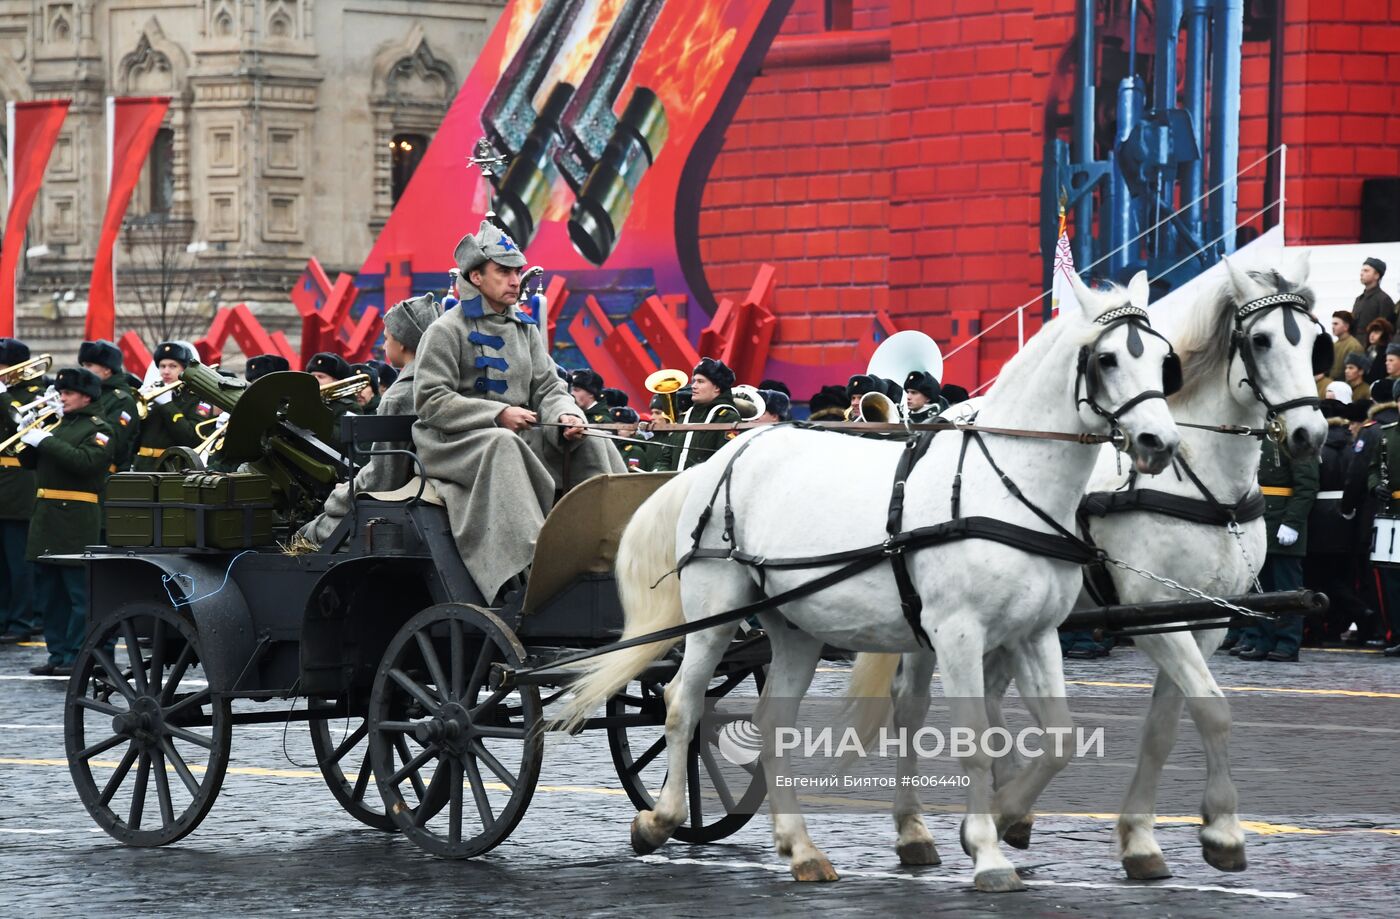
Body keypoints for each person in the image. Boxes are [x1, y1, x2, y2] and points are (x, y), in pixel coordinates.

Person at [413, 219, 624, 604]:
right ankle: (535, 562)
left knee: (592, 443)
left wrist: (566, 415)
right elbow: (430, 401)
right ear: (476, 276)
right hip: (454, 444)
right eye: (504, 272)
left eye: (517, 272)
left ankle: (619, 543)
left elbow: (549, 388)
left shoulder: (525, 330)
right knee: (502, 445)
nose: (515, 280)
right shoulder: (445, 331)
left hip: (519, 435)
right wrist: (497, 414)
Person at [300, 293, 442, 546]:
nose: (384, 345)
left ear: (401, 343)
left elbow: (383, 477)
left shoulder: (398, 396)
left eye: (387, 338)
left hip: (399, 507)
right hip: (430, 495)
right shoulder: (442, 381)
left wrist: (338, 497)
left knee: (307, 533)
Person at [20, 367, 115, 675]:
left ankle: (77, 654)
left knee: (77, 594)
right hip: (47, 515)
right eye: (61, 393)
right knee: (50, 594)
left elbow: (85, 463)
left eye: (68, 393)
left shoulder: (99, 429)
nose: (62, 398)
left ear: (86, 396)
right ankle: (58, 653)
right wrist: (27, 437)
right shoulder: (61, 425)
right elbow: (31, 462)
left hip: (76, 516)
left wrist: (45, 440)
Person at [1236, 435, 1318, 662]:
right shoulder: (1257, 437)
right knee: (1260, 588)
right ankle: (1263, 639)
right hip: (1257, 518)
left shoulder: (1296, 440)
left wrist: (1292, 522)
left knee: (1286, 589)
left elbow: (1307, 486)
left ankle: (1288, 642)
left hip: (1282, 519)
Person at [0, 338, 44, 643]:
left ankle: (22, 619)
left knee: (18, 562)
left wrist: (3, 396)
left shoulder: (35, 395)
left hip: (18, 486)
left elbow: (20, 423)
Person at [647, 358, 743, 471]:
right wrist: (660, 475)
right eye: (694, 381)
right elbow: (665, 458)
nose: (693, 386)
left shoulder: (728, 418)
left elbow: (725, 463)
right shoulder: (684, 417)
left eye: (700, 381)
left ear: (717, 387)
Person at [134, 341, 211, 471]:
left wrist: (167, 405)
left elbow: (192, 438)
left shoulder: (197, 398)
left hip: (174, 468)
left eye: (173, 366)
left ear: (184, 369)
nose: (166, 371)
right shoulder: (152, 394)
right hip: (142, 466)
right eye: (162, 366)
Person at [79, 339, 140, 472]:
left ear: (107, 369)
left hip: (107, 474)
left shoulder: (122, 400)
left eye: (89, 365)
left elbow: (113, 441)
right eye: (83, 365)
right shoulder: (88, 394)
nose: (83, 371)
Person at [1352, 257, 1395, 334]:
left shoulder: (1384, 300)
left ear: (1377, 275)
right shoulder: (1359, 299)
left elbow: (1384, 329)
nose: (1361, 273)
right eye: (1362, 270)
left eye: (1366, 271)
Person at [1329, 310, 1364, 380]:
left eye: (1336, 324)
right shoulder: (1334, 344)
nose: (1332, 327)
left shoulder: (1354, 346)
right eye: (1332, 324)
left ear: (1346, 327)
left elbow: (1353, 376)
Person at [1363, 318, 1394, 385]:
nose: (1372, 335)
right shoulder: (1368, 350)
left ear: (1384, 335)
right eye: (1371, 331)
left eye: (1376, 332)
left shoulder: (1386, 353)